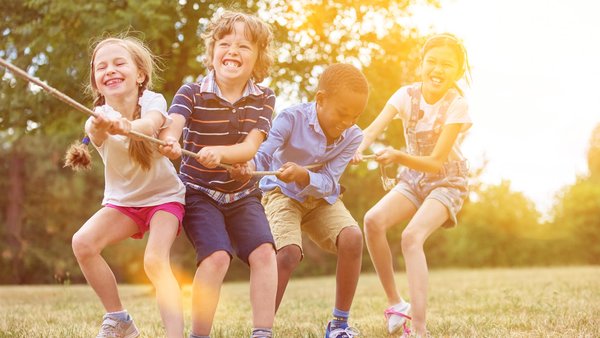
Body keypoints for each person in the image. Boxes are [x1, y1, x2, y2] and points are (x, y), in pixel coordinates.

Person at [157, 10, 277, 338]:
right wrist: (168, 142)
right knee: (216, 257)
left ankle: (263, 333)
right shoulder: (191, 92)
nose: (233, 51)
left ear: (258, 59)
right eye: (225, 43)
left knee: (266, 253)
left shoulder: (264, 98)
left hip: (242, 194)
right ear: (212, 53)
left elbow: (251, 147)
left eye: (244, 46)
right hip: (198, 192)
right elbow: (174, 126)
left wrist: (222, 154)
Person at [353, 33, 472, 337]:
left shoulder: (457, 106)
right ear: (420, 65)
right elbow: (371, 129)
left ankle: (418, 329)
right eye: (431, 61)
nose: (438, 69)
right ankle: (397, 304)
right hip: (414, 179)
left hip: (447, 179)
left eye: (447, 64)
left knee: (411, 237)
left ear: (457, 71)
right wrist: (356, 147)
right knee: (373, 221)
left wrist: (396, 156)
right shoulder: (405, 95)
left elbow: (435, 161)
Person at [66, 36, 186, 338]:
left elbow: (150, 124)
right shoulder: (98, 116)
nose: (110, 70)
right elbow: (95, 130)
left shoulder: (153, 101)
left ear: (140, 75)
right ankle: (119, 319)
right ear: (95, 80)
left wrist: (129, 127)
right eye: (101, 67)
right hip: (123, 204)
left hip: (164, 199)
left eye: (119, 63)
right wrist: (104, 125)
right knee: (83, 243)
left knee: (155, 262)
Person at [249, 63, 369, 338]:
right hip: (281, 194)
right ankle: (262, 331)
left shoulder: (353, 136)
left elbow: (329, 182)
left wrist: (304, 176)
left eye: (355, 116)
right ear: (321, 100)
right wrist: (248, 166)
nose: (348, 122)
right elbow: (265, 152)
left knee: (352, 237)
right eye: (342, 113)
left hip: (320, 199)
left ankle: (339, 325)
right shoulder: (291, 119)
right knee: (288, 253)